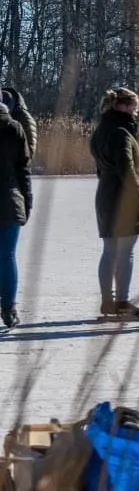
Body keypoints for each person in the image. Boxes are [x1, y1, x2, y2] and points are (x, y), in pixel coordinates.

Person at [92, 87, 139, 319]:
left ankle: (108, 301)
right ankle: (122, 301)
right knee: (125, 252)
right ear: (123, 107)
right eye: (134, 107)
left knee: (109, 250)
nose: (136, 112)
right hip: (123, 195)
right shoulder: (121, 132)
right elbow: (127, 170)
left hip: (105, 193)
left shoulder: (100, 131)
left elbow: (100, 167)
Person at [0, 86, 35, 330]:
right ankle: (9, 308)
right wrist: (27, 200)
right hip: (9, 201)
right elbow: (24, 169)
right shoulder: (14, 127)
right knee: (7, 256)